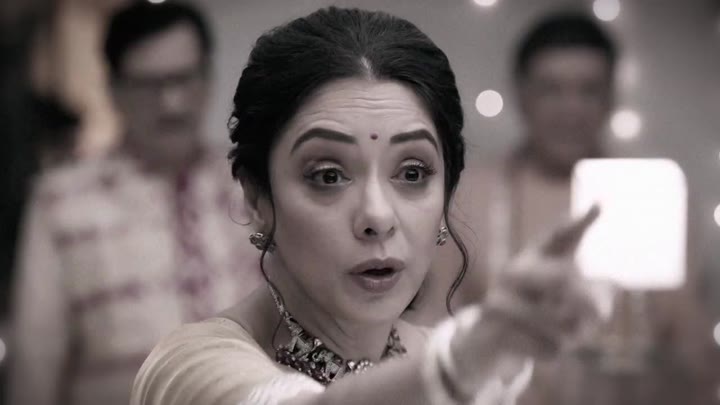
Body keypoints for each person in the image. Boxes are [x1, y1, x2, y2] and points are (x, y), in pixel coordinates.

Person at [130, 7, 606, 405]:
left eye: (412, 173)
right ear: (258, 198)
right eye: (328, 176)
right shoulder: (189, 367)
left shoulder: (449, 362)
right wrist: (475, 353)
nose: (377, 216)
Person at [420, 12, 718, 405]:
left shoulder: (652, 198)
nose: (571, 109)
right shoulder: (469, 197)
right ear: (522, 94)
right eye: (551, 89)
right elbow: (431, 339)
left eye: (588, 90)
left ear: (611, 97)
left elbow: (694, 356)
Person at [8, 3, 262, 405]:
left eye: (184, 78)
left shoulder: (251, 186)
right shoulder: (60, 204)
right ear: (114, 89)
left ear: (208, 77)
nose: (172, 102)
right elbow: (35, 366)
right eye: (149, 85)